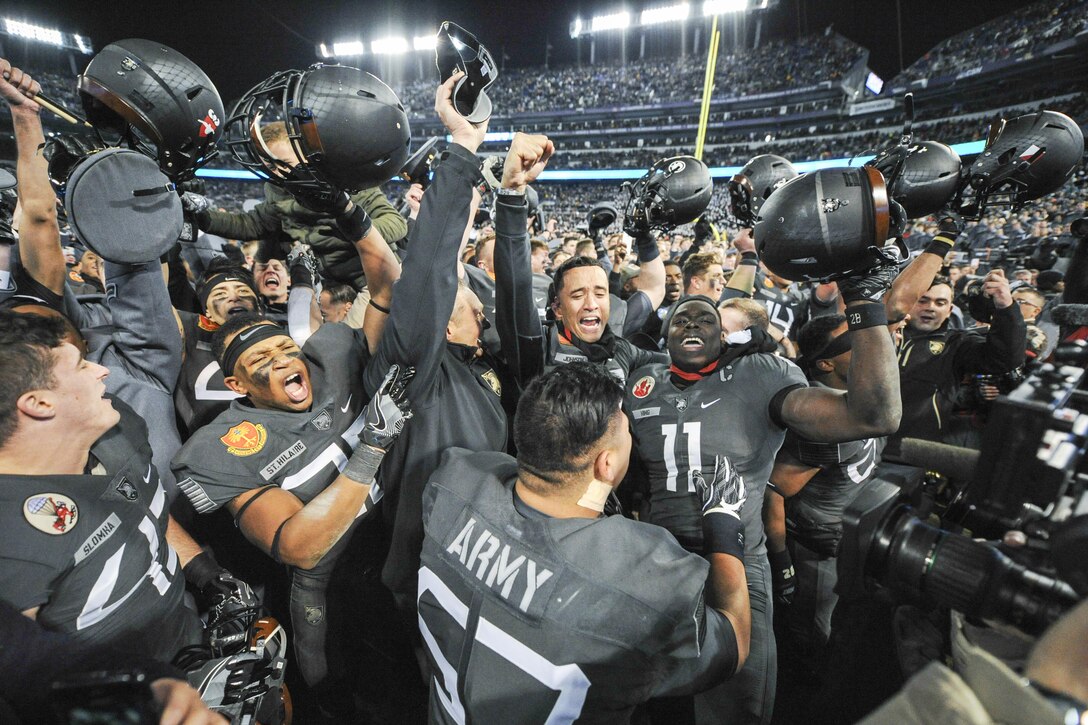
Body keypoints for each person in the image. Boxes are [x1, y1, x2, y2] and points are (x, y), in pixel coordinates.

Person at [626, 258, 902, 724]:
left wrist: (864, 305)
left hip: (736, 561)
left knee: (739, 706)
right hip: (658, 562)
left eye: (705, 318)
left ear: (724, 336)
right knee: (651, 702)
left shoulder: (759, 377)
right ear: (665, 336)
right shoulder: (641, 382)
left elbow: (874, 415)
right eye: (680, 317)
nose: (692, 323)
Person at [417, 362, 752, 722]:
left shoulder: (454, 480)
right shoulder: (639, 573)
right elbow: (735, 641)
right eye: (626, 431)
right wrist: (723, 521)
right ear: (605, 465)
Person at [0, 311, 205, 662]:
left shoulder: (115, 425)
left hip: (191, 640)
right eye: (81, 366)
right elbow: (25, 684)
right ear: (39, 404)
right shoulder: (11, 533)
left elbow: (140, 508)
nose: (102, 370)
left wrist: (204, 571)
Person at [186, 121, 407, 290]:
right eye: (269, 166)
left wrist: (350, 231)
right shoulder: (278, 189)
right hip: (328, 286)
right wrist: (201, 216)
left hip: (375, 281)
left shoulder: (346, 181)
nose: (276, 172)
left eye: (283, 163)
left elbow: (396, 223)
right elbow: (250, 223)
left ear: (306, 155)